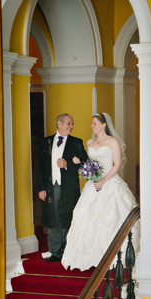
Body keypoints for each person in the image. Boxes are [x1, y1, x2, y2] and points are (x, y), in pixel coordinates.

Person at [61, 113, 140, 272]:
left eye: (95, 123)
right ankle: (89, 257)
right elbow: (89, 164)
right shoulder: (89, 142)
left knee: (112, 217)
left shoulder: (113, 142)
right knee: (85, 217)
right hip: (93, 184)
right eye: (92, 124)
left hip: (109, 182)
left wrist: (103, 181)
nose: (92, 126)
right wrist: (80, 163)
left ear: (104, 125)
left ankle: (114, 256)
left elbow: (116, 165)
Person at [36, 114, 88, 263]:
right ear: (59, 124)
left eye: (72, 124)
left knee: (67, 217)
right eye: (68, 123)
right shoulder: (46, 142)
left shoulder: (77, 142)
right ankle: (55, 252)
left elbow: (86, 165)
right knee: (53, 217)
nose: (71, 126)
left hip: (69, 187)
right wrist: (41, 188)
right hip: (50, 187)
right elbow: (40, 167)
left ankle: (67, 251)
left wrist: (68, 165)